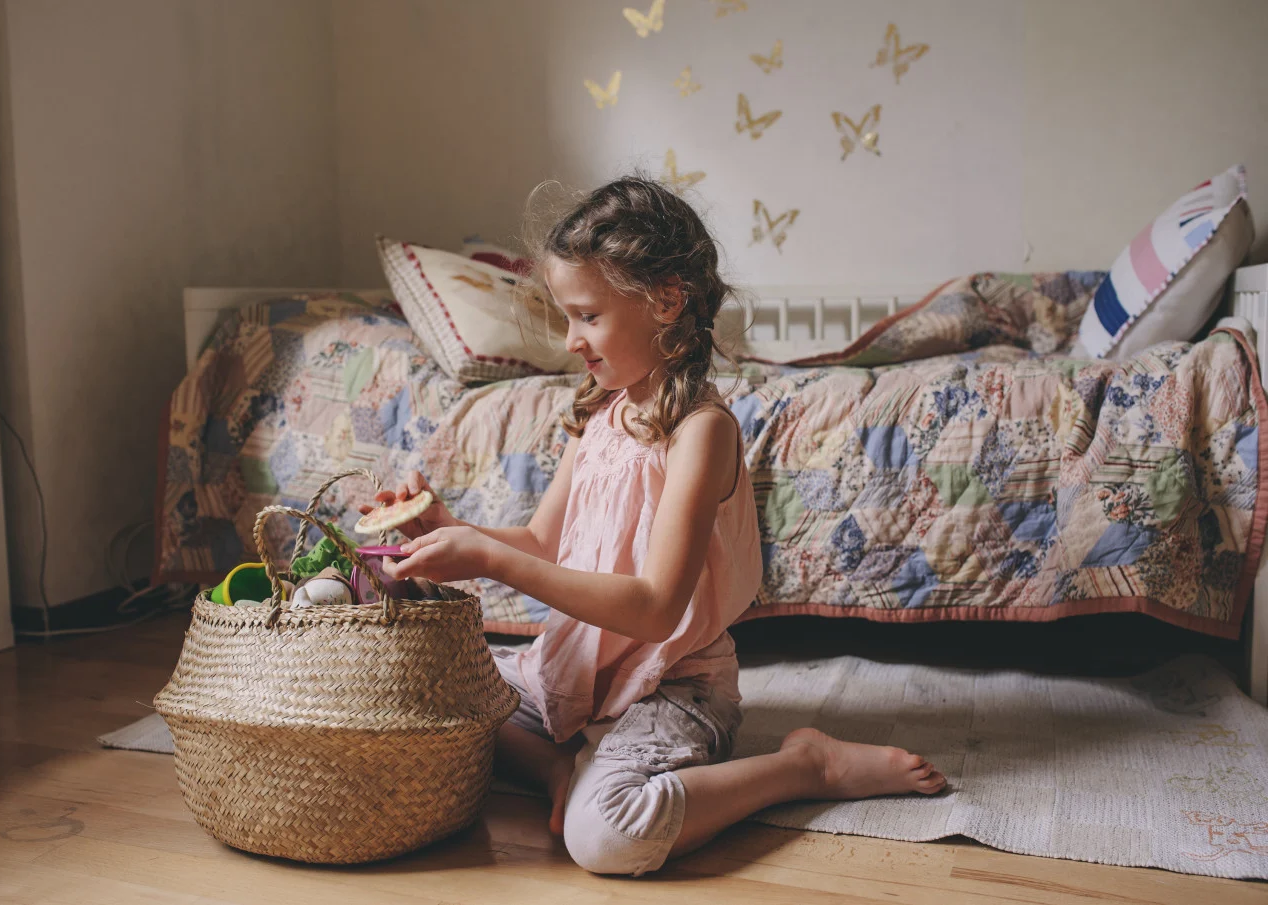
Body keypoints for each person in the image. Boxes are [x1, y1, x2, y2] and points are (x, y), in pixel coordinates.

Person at [364, 176, 945, 876]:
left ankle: (801, 766)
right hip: (575, 672)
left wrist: (490, 562)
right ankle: (559, 766)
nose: (571, 340)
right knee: (423, 700)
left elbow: (656, 606)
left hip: (672, 683)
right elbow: (544, 544)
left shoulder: (701, 432)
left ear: (665, 301)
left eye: (587, 316)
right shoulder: (600, 415)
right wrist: (450, 527)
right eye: (567, 317)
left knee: (608, 834)